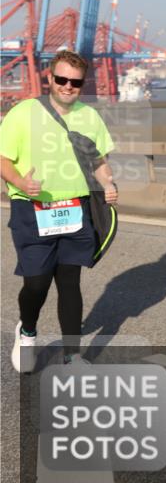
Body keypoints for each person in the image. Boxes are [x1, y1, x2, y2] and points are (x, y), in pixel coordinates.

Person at [2, 50, 118, 371]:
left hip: (75, 209)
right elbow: (3, 160)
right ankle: (27, 332)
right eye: (62, 79)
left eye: (76, 82)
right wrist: (21, 184)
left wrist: (107, 184)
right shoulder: (23, 112)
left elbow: (98, 161)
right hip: (32, 208)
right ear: (49, 78)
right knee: (36, 283)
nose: (68, 86)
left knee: (70, 283)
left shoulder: (89, 117)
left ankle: (72, 357)